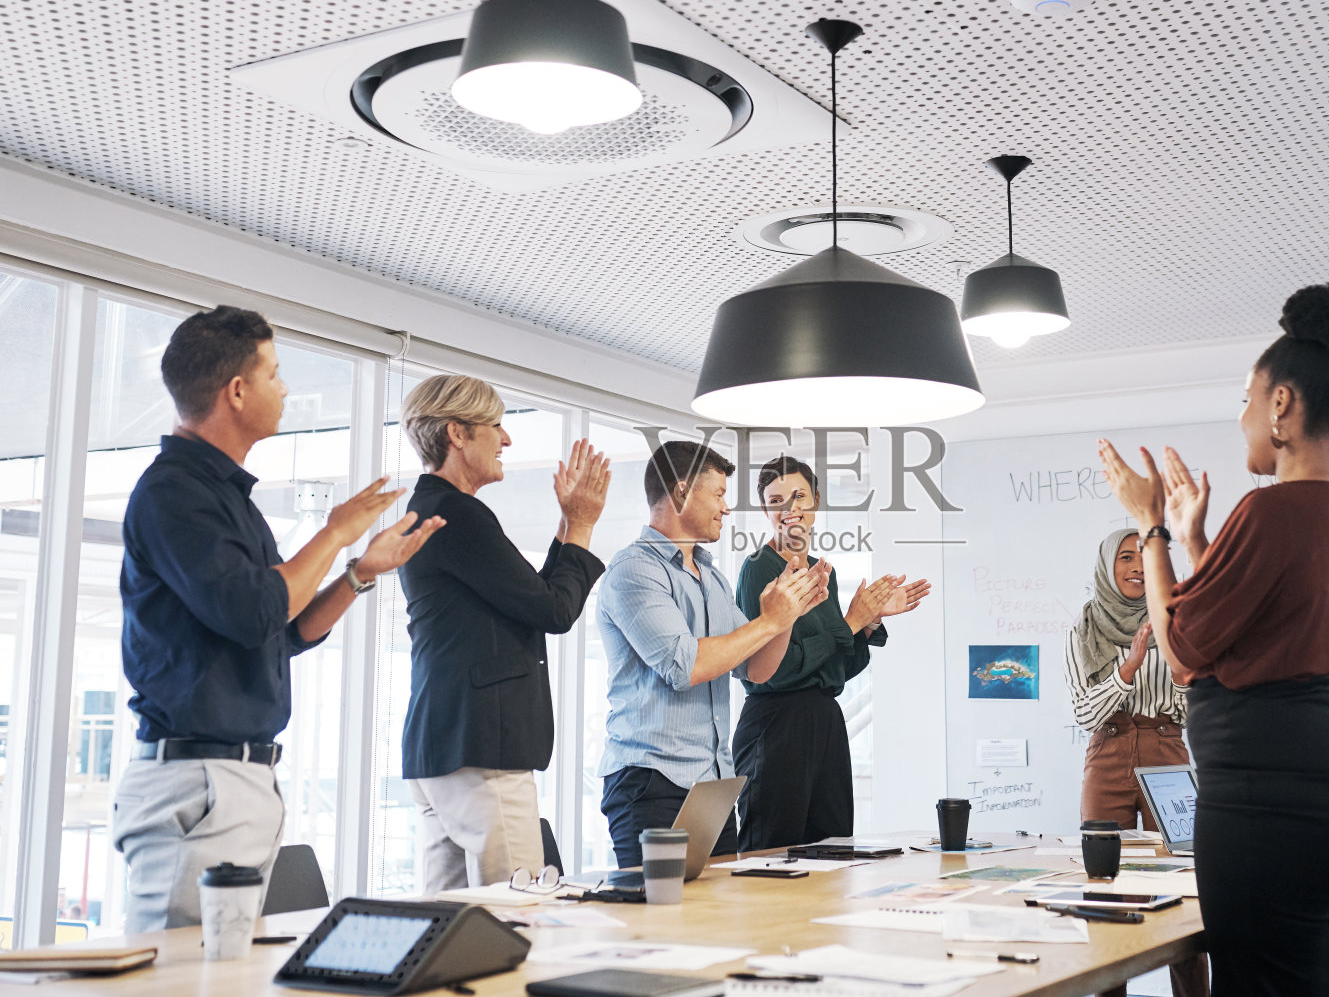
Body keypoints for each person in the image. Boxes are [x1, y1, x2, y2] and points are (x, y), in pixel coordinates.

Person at [1098, 283, 1329, 996]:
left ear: (1283, 404)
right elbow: (1268, 622)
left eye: (1247, 400)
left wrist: (1152, 526)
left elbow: (1182, 647)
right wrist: (1199, 542)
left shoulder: (1271, 509)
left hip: (1271, 806)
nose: (1243, 419)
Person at [114, 306, 443, 932]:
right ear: (236, 391)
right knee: (183, 979)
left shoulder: (228, 500)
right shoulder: (172, 493)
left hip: (239, 779)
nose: (285, 388)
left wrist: (358, 572)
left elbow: (282, 631)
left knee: (227, 977)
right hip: (198, 781)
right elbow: (256, 609)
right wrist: (335, 530)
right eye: (274, 374)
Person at [397, 375, 610, 893]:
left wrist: (567, 524)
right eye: (496, 425)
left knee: (446, 924)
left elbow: (527, 598)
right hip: (483, 750)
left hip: (441, 746)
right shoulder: (458, 515)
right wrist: (582, 524)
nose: (507, 439)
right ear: (457, 434)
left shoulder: (428, 509)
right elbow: (554, 610)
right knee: (519, 915)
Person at [596, 441, 830, 869]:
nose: (727, 508)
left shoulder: (712, 579)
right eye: (719, 494)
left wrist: (786, 616)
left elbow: (755, 669)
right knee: (660, 924)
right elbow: (685, 666)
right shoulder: (634, 570)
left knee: (717, 924)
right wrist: (769, 621)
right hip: (652, 782)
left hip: (712, 788)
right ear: (683, 493)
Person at [732, 455, 931, 851]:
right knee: (773, 850)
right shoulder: (759, 569)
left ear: (816, 502)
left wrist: (869, 621)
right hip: (776, 724)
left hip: (825, 720)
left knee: (834, 845)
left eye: (799, 496)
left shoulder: (825, 572)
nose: (790, 510)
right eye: (777, 501)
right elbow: (776, 671)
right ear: (764, 510)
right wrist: (851, 622)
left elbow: (839, 666)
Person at [1067, 526, 1209, 997]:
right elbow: (1085, 712)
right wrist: (1127, 670)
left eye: (1143, 558)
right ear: (1108, 567)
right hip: (1106, 754)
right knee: (1102, 889)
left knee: (1183, 887)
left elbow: (1192, 712)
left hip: (1166, 749)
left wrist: (1180, 673)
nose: (1134, 567)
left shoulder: (1178, 621)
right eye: (1125, 558)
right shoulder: (1084, 629)